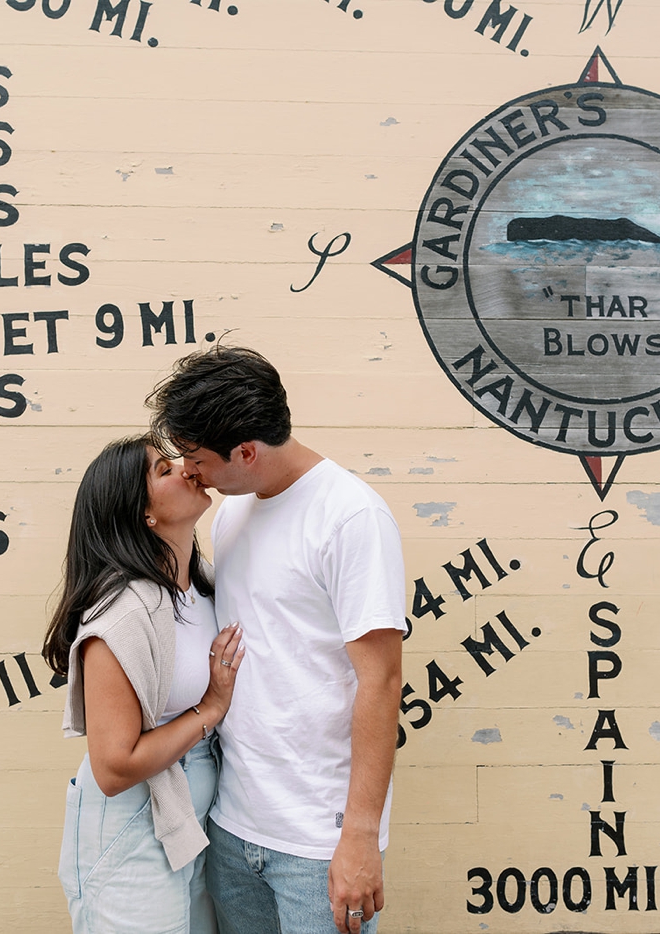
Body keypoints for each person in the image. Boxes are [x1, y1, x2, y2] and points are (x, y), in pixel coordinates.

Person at [147, 346, 405, 934]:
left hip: (319, 843)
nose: (189, 472)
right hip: (234, 828)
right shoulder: (233, 511)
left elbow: (382, 679)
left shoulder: (350, 517)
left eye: (195, 459)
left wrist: (359, 837)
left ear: (245, 452)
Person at [44, 434, 245, 934]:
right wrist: (209, 710)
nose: (185, 469)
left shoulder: (202, 584)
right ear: (143, 515)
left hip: (189, 824)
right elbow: (114, 767)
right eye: (162, 470)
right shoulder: (123, 614)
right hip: (132, 829)